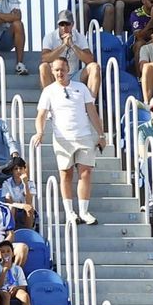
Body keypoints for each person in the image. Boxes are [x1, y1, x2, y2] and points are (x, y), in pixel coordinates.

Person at [30, 57, 106, 225]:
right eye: (56, 70)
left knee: (85, 172)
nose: (59, 73)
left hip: (84, 135)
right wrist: (40, 132)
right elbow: (41, 115)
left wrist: (101, 135)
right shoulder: (48, 91)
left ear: (68, 69)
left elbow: (91, 111)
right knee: (66, 174)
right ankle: (70, 212)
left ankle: (84, 211)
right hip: (63, 138)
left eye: (62, 69)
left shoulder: (81, 88)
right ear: (52, 71)